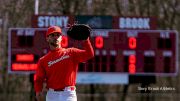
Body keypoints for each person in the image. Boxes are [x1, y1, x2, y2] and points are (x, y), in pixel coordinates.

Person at [34, 26, 94, 101]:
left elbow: (89, 54)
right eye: (52, 35)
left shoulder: (71, 52)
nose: (56, 37)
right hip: (52, 95)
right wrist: (38, 92)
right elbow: (39, 79)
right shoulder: (43, 60)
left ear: (61, 38)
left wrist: (86, 40)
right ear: (47, 38)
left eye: (58, 35)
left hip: (68, 94)